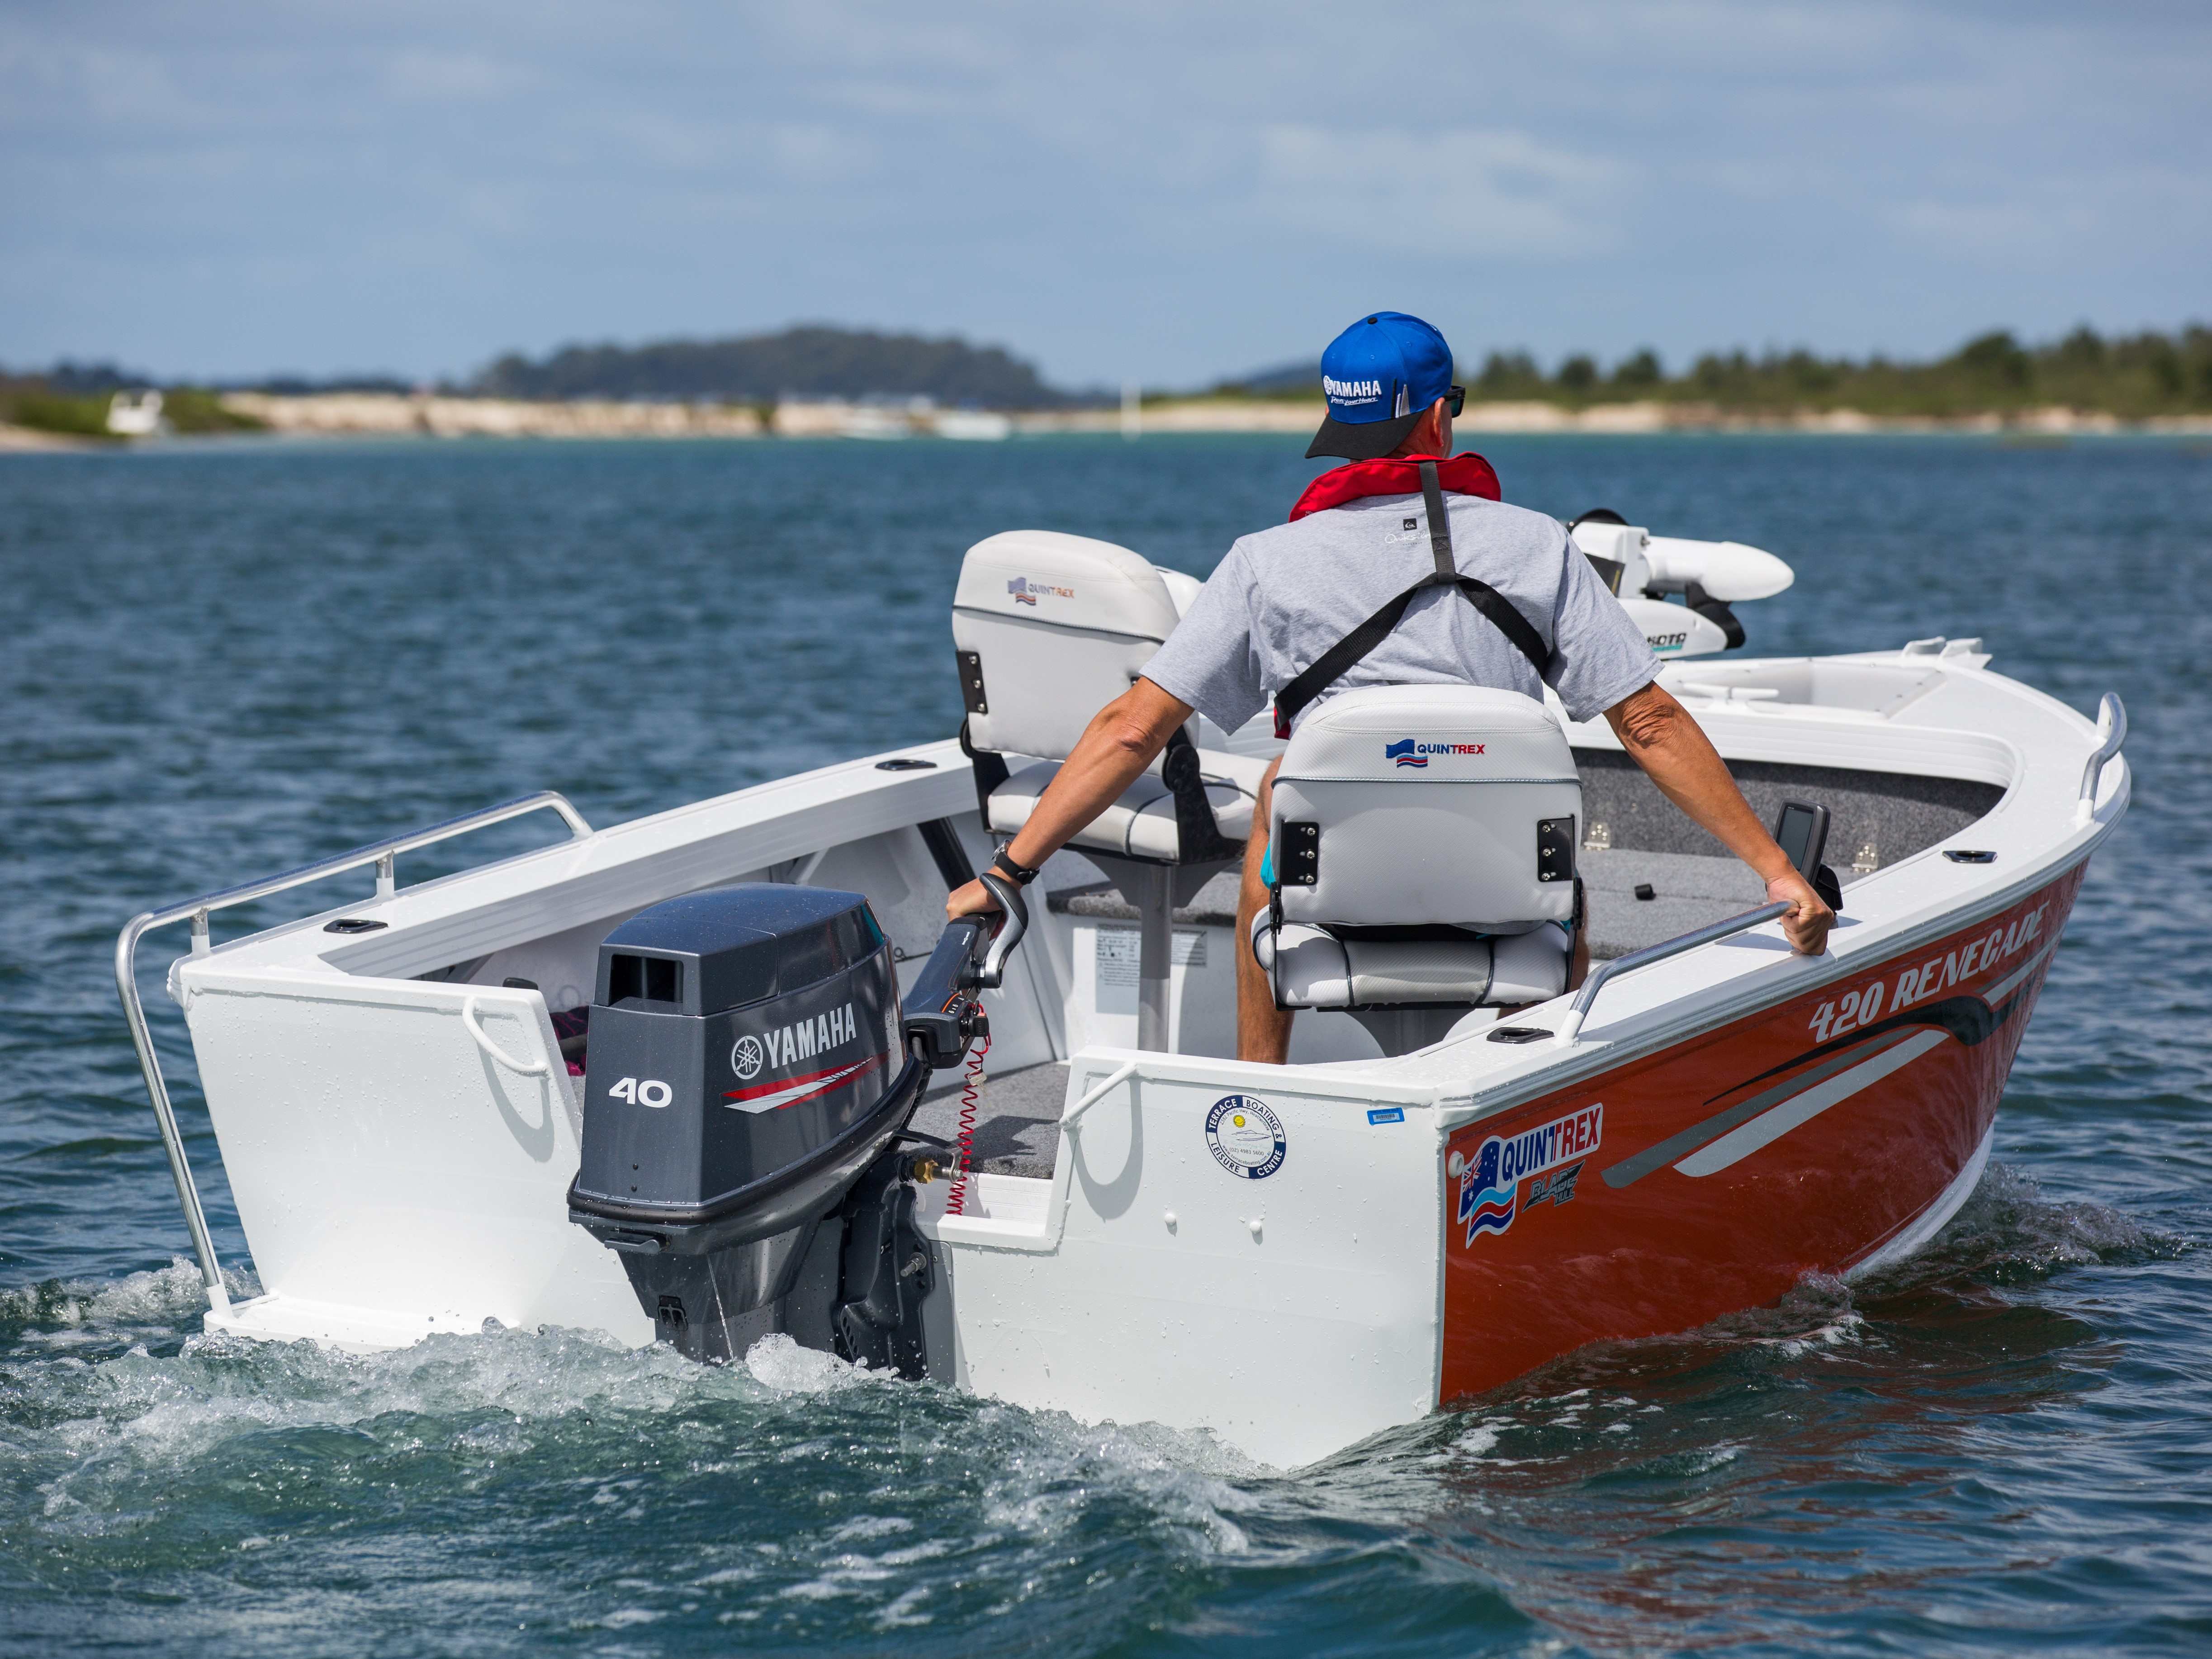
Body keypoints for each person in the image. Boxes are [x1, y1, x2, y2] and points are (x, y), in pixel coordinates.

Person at [947, 310, 1833, 1062]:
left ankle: (1267, 1085)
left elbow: (1131, 732)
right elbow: (1647, 721)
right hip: (1500, 892)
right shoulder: (1537, 547)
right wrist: (1776, 873)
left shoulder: (1266, 564)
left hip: (1332, 889)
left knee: (1274, 797)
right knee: (1556, 852)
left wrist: (1009, 872)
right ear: (1439, 419)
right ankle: (1532, 1073)